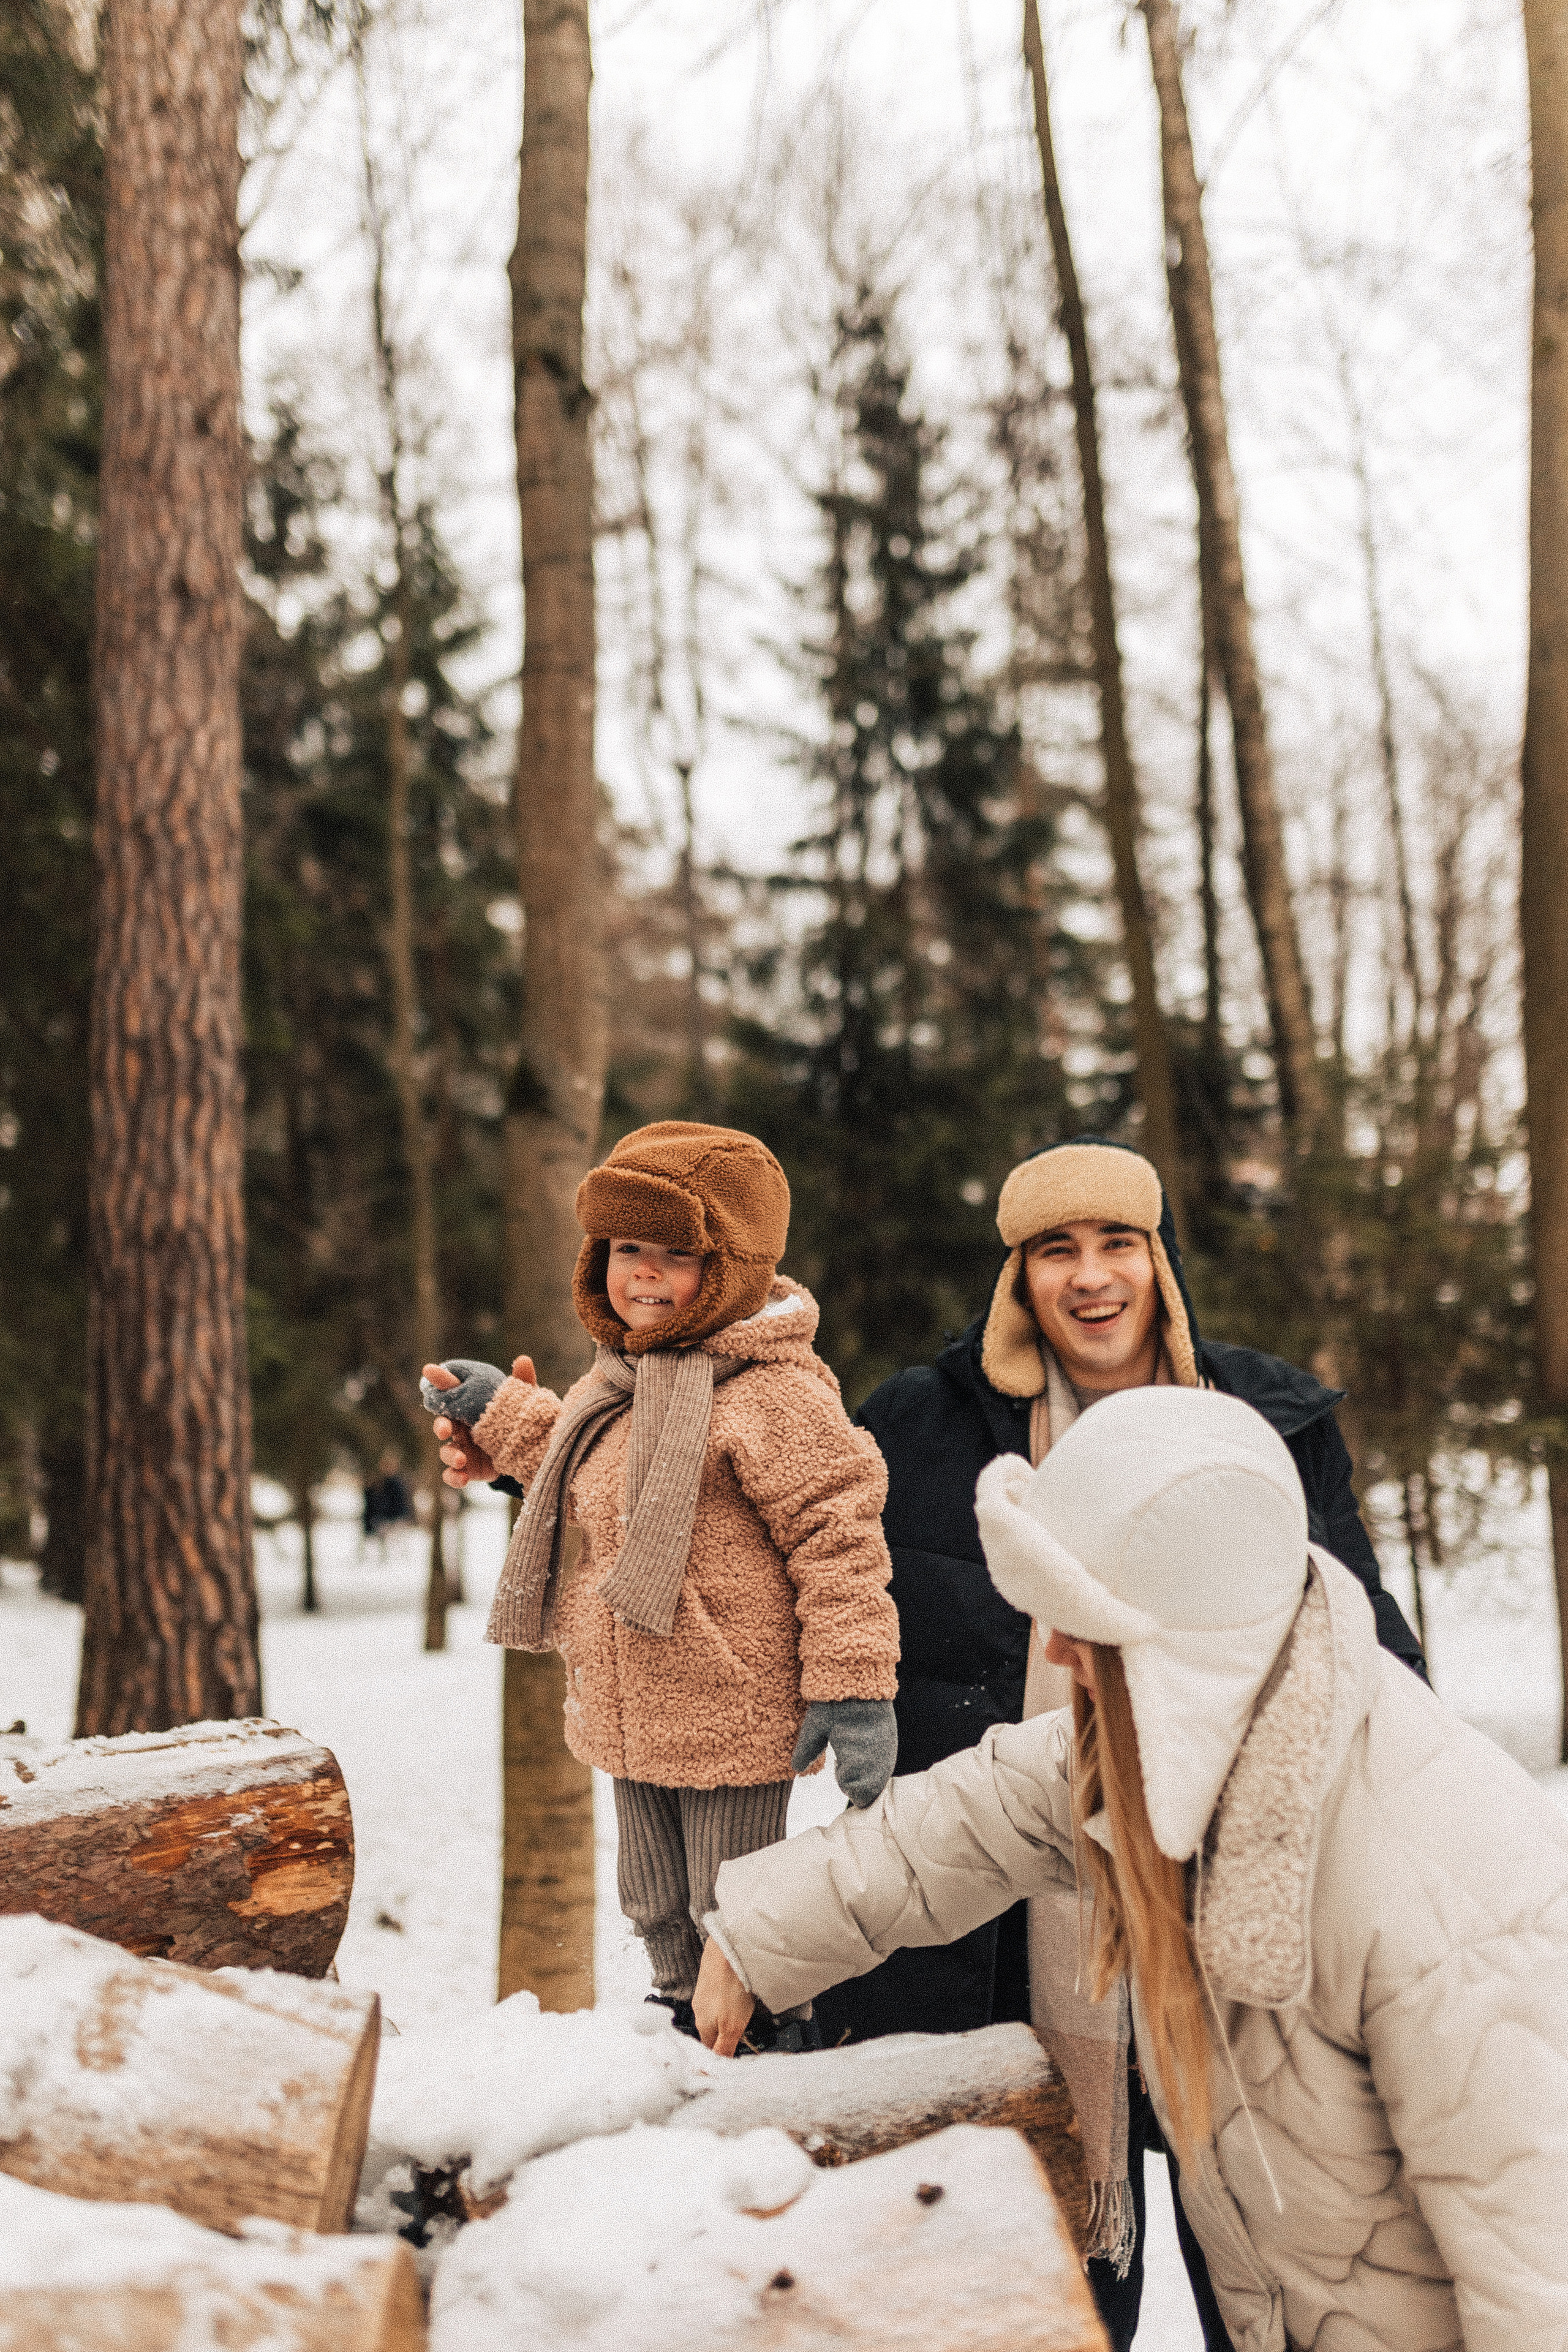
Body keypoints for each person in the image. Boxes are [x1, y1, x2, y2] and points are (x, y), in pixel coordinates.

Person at [694, 1386, 1568, 2352]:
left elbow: (1538, 2280)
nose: (1054, 1645)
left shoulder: (1450, 1901)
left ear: (1187, 1637)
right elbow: (980, 1815)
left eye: (1083, 1617)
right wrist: (755, 1936)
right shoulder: (1195, 1743)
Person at [825, 1134, 1425, 2347]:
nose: (1089, 1277)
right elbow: (763, 1541)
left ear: (1158, 1263)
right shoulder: (924, 1428)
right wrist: (543, 1463)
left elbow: (1375, 1652)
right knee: (1043, 2307)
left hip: (1229, 1931)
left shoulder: (1265, 1417)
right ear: (1018, 1276)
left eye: (1115, 1246)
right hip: (1009, 1946)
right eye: (1056, 1250)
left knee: (1269, 2294)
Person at [420, 1120, 901, 2049]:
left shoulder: (774, 1392)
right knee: (652, 1898)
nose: (643, 1274)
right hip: (629, 1699)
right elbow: (573, 1453)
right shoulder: (620, 1382)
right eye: (627, 1250)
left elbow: (839, 1538)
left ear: (731, 1266)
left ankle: (770, 2037)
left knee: (739, 1901)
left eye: (674, 1255)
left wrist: (853, 1683)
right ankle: (678, 2019)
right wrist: (501, 1411)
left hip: (731, 1702)